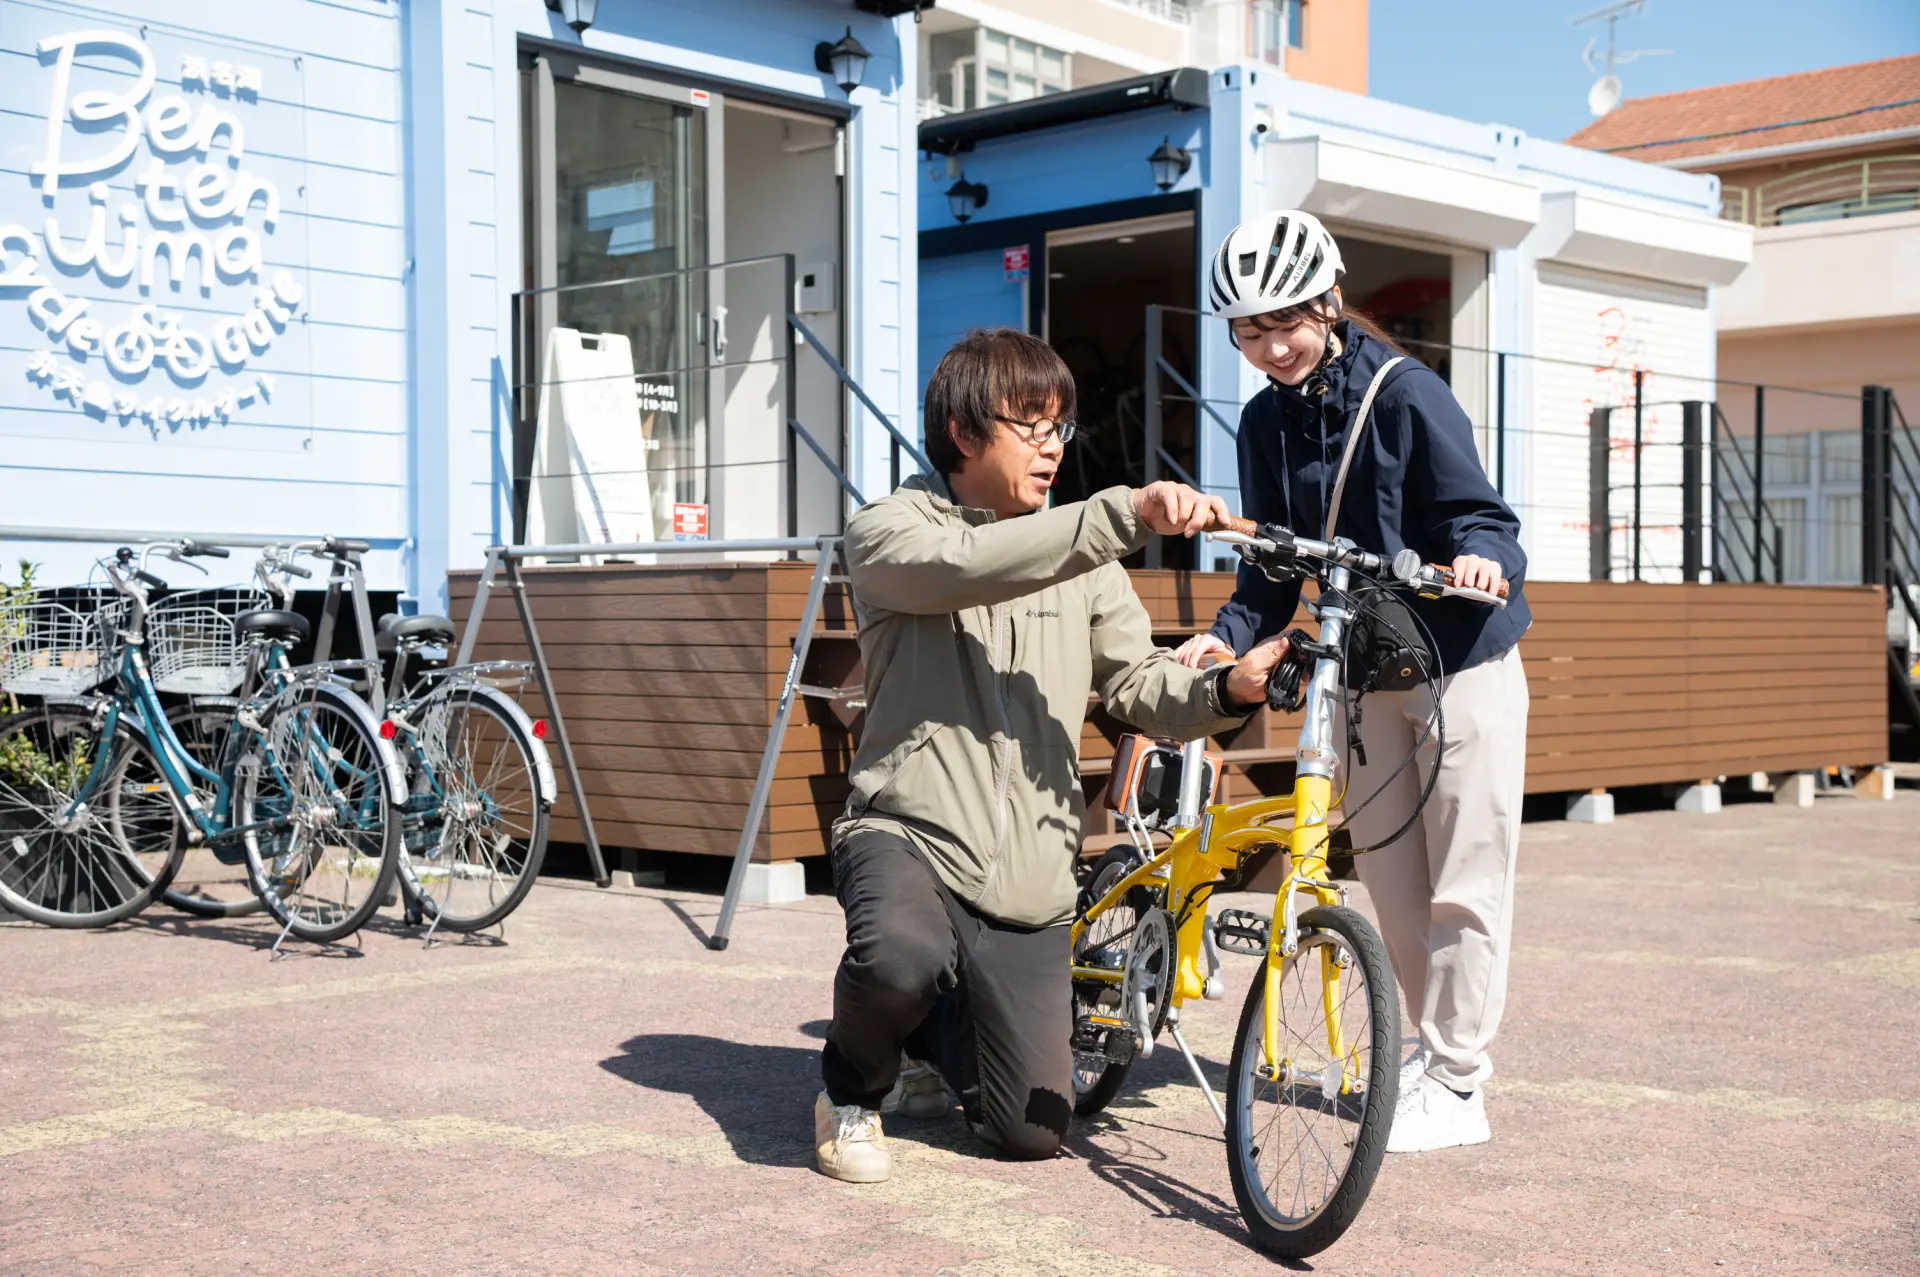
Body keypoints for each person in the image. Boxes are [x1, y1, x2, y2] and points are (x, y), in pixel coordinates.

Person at [815, 326, 1290, 1183]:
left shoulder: (1083, 559)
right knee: (899, 954)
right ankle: (850, 1086)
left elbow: (1140, 684)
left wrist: (1230, 691)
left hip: (1031, 871)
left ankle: (925, 1029)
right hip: (909, 832)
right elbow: (972, 561)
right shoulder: (888, 530)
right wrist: (1124, 513)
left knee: (1031, 1129)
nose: (1052, 447)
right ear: (965, 434)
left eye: (1061, 428)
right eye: (1032, 426)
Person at [1175, 210, 1531, 1154]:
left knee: (1465, 877)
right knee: (1393, 878)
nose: (1272, 346)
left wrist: (1483, 561)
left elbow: (1484, 516)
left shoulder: (1407, 394)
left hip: (1462, 659)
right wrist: (1221, 639)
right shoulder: (1261, 420)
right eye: (1249, 331)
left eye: (1286, 321)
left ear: (1329, 303)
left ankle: (1458, 1082)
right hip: (1362, 664)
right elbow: (1266, 569)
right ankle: (1431, 1055)